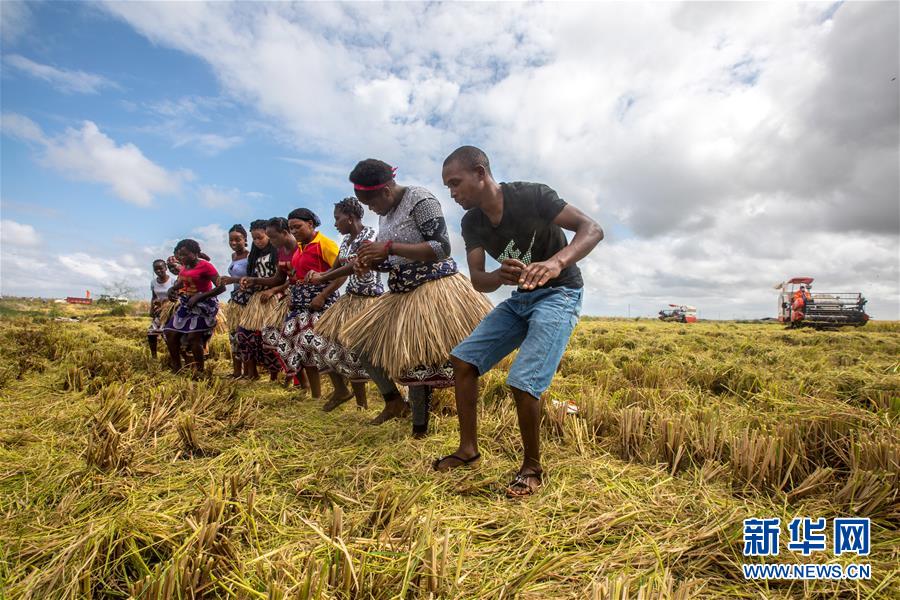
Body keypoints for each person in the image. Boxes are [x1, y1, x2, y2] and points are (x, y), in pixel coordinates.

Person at [436, 146, 603, 497]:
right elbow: (479, 280)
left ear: (480, 173)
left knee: (524, 380)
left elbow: (592, 229)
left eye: (455, 183)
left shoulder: (531, 196)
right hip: (521, 299)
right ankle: (468, 450)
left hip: (560, 293)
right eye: (448, 186)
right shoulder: (472, 222)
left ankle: (532, 468)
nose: (452, 193)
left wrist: (556, 263)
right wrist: (499, 275)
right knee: (463, 360)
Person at [340, 159, 492, 437]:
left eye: (370, 202)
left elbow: (441, 247)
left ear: (386, 190)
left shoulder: (420, 200)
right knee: (362, 345)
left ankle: (419, 429)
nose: (370, 209)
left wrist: (387, 248)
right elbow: (393, 260)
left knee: (416, 358)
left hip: (431, 288)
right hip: (401, 290)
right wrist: (372, 262)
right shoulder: (385, 213)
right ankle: (393, 401)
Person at [261, 211, 348, 403]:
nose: (294, 231)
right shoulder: (300, 247)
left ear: (310, 224)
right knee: (292, 345)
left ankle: (341, 390)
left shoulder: (324, 244)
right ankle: (315, 395)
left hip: (320, 304)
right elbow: (297, 276)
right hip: (300, 305)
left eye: (297, 227)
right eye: (291, 228)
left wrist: (322, 295)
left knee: (318, 346)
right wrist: (292, 294)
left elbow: (342, 273)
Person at [308, 197, 383, 411]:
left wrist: (323, 278)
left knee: (357, 349)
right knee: (320, 340)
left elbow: (356, 265)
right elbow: (335, 269)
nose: (335, 224)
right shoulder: (346, 241)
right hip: (349, 299)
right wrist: (317, 275)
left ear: (350, 218)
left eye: (337, 218)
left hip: (369, 301)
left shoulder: (370, 236)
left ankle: (364, 405)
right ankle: (342, 391)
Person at [163, 239, 226, 375]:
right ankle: (177, 368)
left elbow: (221, 287)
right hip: (188, 304)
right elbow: (182, 282)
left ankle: (199, 371)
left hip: (205, 306)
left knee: (193, 337)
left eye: (185, 254)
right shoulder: (185, 266)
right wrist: (171, 290)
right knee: (170, 332)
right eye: (180, 255)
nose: (182, 258)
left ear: (196, 253)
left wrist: (200, 296)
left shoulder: (206, 266)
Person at [231, 219, 282, 381]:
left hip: (274, 298)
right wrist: (247, 283)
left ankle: (274, 376)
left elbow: (284, 278)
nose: (257, 241)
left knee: (270, 338)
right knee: (243, 335)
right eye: (254, 238)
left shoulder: (277, 252)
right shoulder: (254, 255)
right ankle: (252, 374)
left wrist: (272, 290)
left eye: (260, 237)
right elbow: (254, 276)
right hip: (257, 299)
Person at [218, 224, 250, 378]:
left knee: (244, 335)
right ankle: (237, 372)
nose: (234, 243)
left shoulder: (250, 257)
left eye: (238, 239)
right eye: (231, 240)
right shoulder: (233, 257)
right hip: (235, 298)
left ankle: (249, 372)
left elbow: (253, 278)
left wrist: (233, 280)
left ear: (245, 239)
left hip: (247, 299)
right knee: (233, 335)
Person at [147, 259, 174, 359]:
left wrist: (167, 306)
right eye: (156, 269)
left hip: (171, 312)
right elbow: (154, 297)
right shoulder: (153, 282)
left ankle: (173, 356)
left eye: (161, 268)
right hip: (159, 312)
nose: (158, 271)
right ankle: (154, 357)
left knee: (167, 335)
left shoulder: (173, 281)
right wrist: (152, 309)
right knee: (151, 333)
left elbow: (177, 297)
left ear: (166, 268)